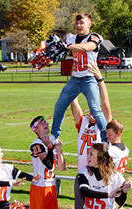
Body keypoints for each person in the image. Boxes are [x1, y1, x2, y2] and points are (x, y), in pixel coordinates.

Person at [70, 62, 112, 209]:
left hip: (99, 174)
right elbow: (74, 103)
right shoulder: (83, 123)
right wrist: (75, 79)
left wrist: (99, 81)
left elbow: (106, 105)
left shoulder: (103, 126)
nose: (91, 110)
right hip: (82, 174)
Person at [50, 13, 107, 145]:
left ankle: (105, 140)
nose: (79, 26)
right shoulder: (71, 37)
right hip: (75, 79)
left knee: (95, 110)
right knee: (59, 106)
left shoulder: (94, 36)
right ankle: (54, 135)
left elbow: (87, 47)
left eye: (82, 23)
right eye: (77, 23)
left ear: (89, 24)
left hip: (89, 78)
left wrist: (67, 47)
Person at [24, 115, 66, 209]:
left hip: (51, 186)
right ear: (35, 130)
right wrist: (49, 147)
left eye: (45, 122)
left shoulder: (52, 142)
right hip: (39, 188)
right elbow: (48, 163)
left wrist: (59, 150)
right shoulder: (36, 145)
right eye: (42, 123)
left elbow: (61, 167)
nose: (46, 124)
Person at [106, 120, 131, 209]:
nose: (107, 136)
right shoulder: (125, 149)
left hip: (113, 192)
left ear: (118, 133)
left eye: (110, 134)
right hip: (120, 188)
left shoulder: (111, 151)